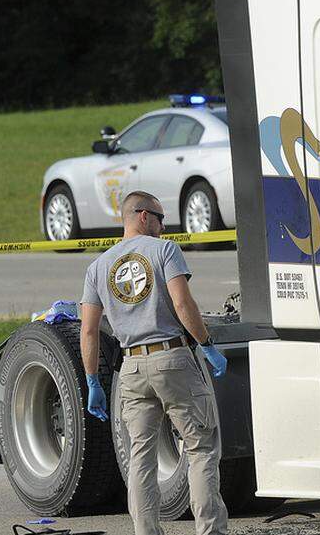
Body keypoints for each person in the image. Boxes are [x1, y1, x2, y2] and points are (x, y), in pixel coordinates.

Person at [79, 190, 230, 535]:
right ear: (143, 216)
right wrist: (206, 344)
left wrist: (93, 382)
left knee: (141, 458)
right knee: (200, 447)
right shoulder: (165, 251)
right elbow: (182, 304)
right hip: (171, 357)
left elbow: (88, 331)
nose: (164, 226)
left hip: (131, 369)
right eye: (161, 218)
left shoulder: (99, 266)